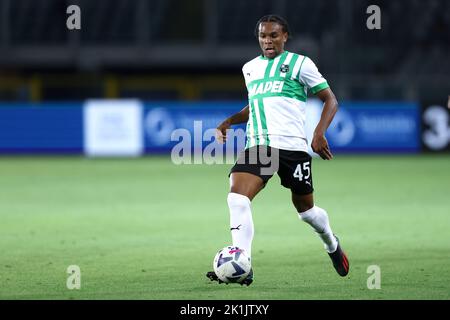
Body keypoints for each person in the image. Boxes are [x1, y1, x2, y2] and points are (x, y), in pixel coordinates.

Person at [206, 15, 349, 286]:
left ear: (285, 36)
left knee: (306, 211)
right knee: (237, 198)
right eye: (262, 36)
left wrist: (318, 133)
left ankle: (331, 242)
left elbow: (330, 99)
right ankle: (242, 263)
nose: (267, 41)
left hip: (293, 148)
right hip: (259, 145)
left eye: (273, 35)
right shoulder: (250, 68)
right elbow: (257, 104)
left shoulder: (300, 64)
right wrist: (230, 121)